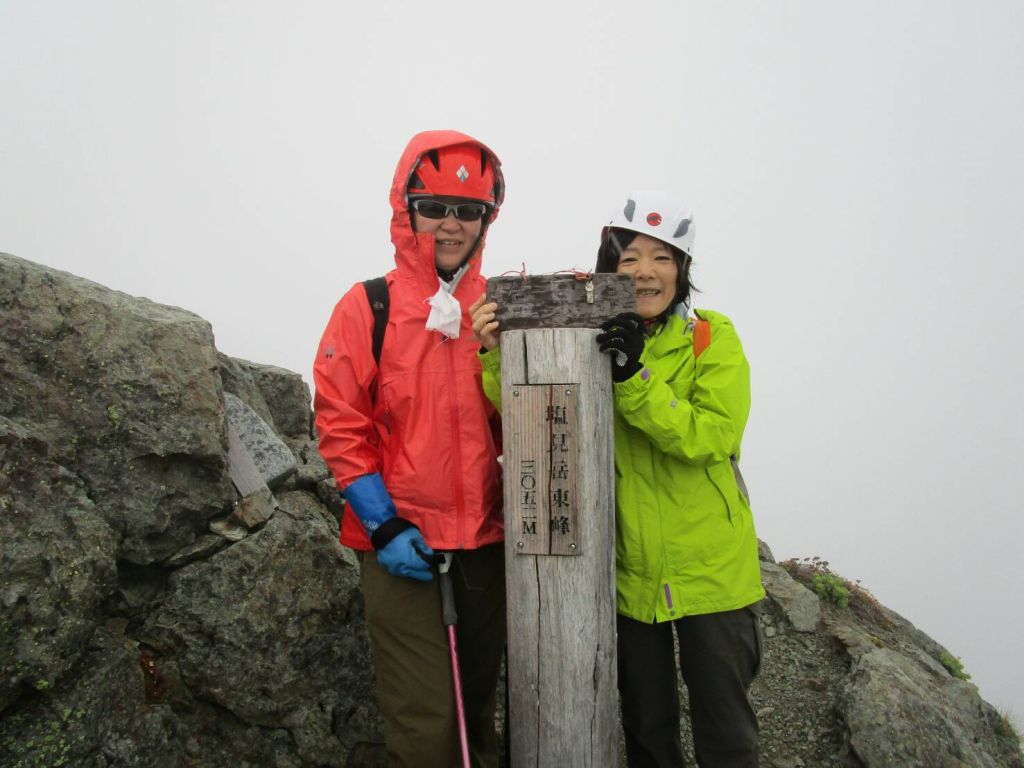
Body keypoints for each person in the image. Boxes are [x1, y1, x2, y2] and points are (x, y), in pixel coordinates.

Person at [471, 191, 765, 767]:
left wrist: (634, 376)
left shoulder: (712, 336)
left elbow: (712, 437)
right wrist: (495, 354)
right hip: (629, 575)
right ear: (608, 271)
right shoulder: (588, 339)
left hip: (713, 573)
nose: (646, 273)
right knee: (648, 732)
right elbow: (534, 413)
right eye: (629, 259)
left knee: (726, 732)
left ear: (683, 271)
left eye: (663, 257)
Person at [314, 130, 507, 768]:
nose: (451, 224)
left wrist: (501, 354)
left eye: (469, 210)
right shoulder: (368, 305)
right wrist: (385, 523)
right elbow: (341, 423)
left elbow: (526, 419)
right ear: (407, 208)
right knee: (426, 729)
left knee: (477, 715)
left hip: (486, 543)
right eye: (435, 206)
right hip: (399, 544)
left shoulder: (500, 311)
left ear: (487, 219)